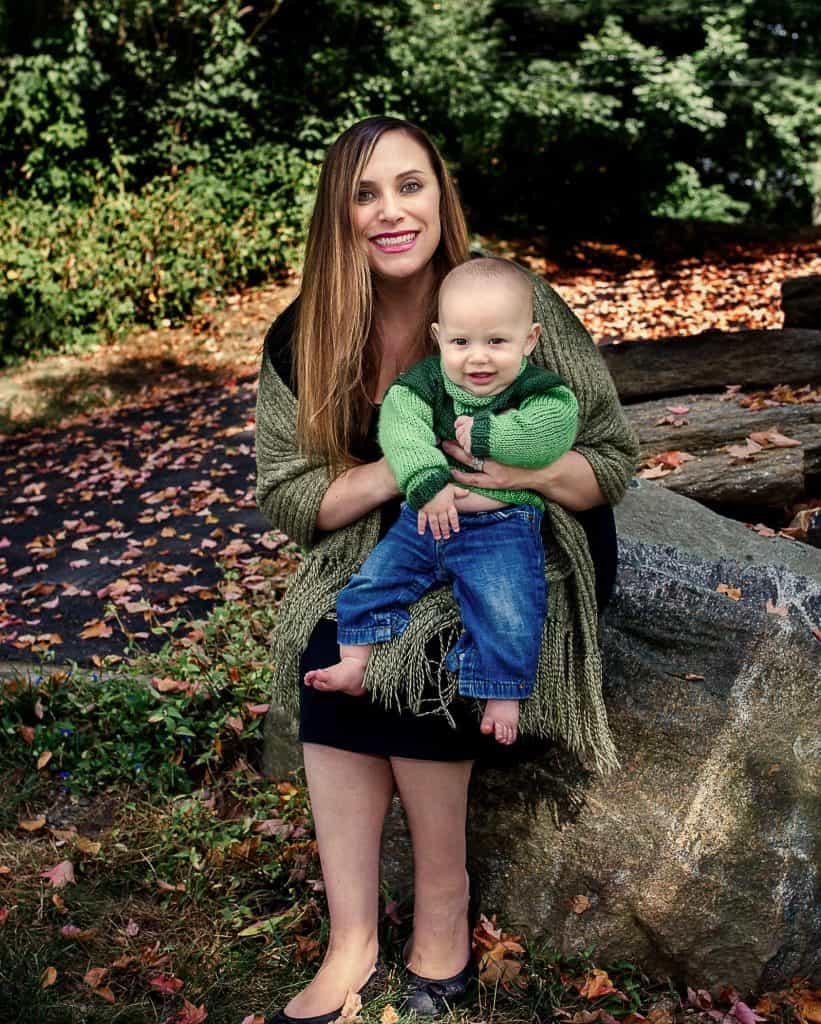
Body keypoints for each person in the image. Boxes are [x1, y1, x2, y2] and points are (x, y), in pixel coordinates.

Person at [255, 115, 638, 1022]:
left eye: (410, 185)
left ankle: (442, 911)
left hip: (521, 543)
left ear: (440, 196)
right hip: (395, 536)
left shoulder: (508, 297)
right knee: (334, 637)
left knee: (423, 653)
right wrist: (406, 464)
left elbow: (611, 461)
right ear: (337, 214)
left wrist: (506, 472)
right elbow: (288, 498)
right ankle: (350, 944)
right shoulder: (301, 336)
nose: (391, 211)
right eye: (365, 193)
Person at [303, 257, 579, 746]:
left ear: (529, 340)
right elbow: (401, 423)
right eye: (461, 342)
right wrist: (425, 479)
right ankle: (355, 663)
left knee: (509, 607)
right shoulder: (426, 383)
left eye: (496, 341)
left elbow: (555, 428)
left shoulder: (536, 388)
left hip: (501, 524)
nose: (478, 358)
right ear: (438, 337)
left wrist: (493, 433)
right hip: (425, 518)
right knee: (373, 580)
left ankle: (501, 693)